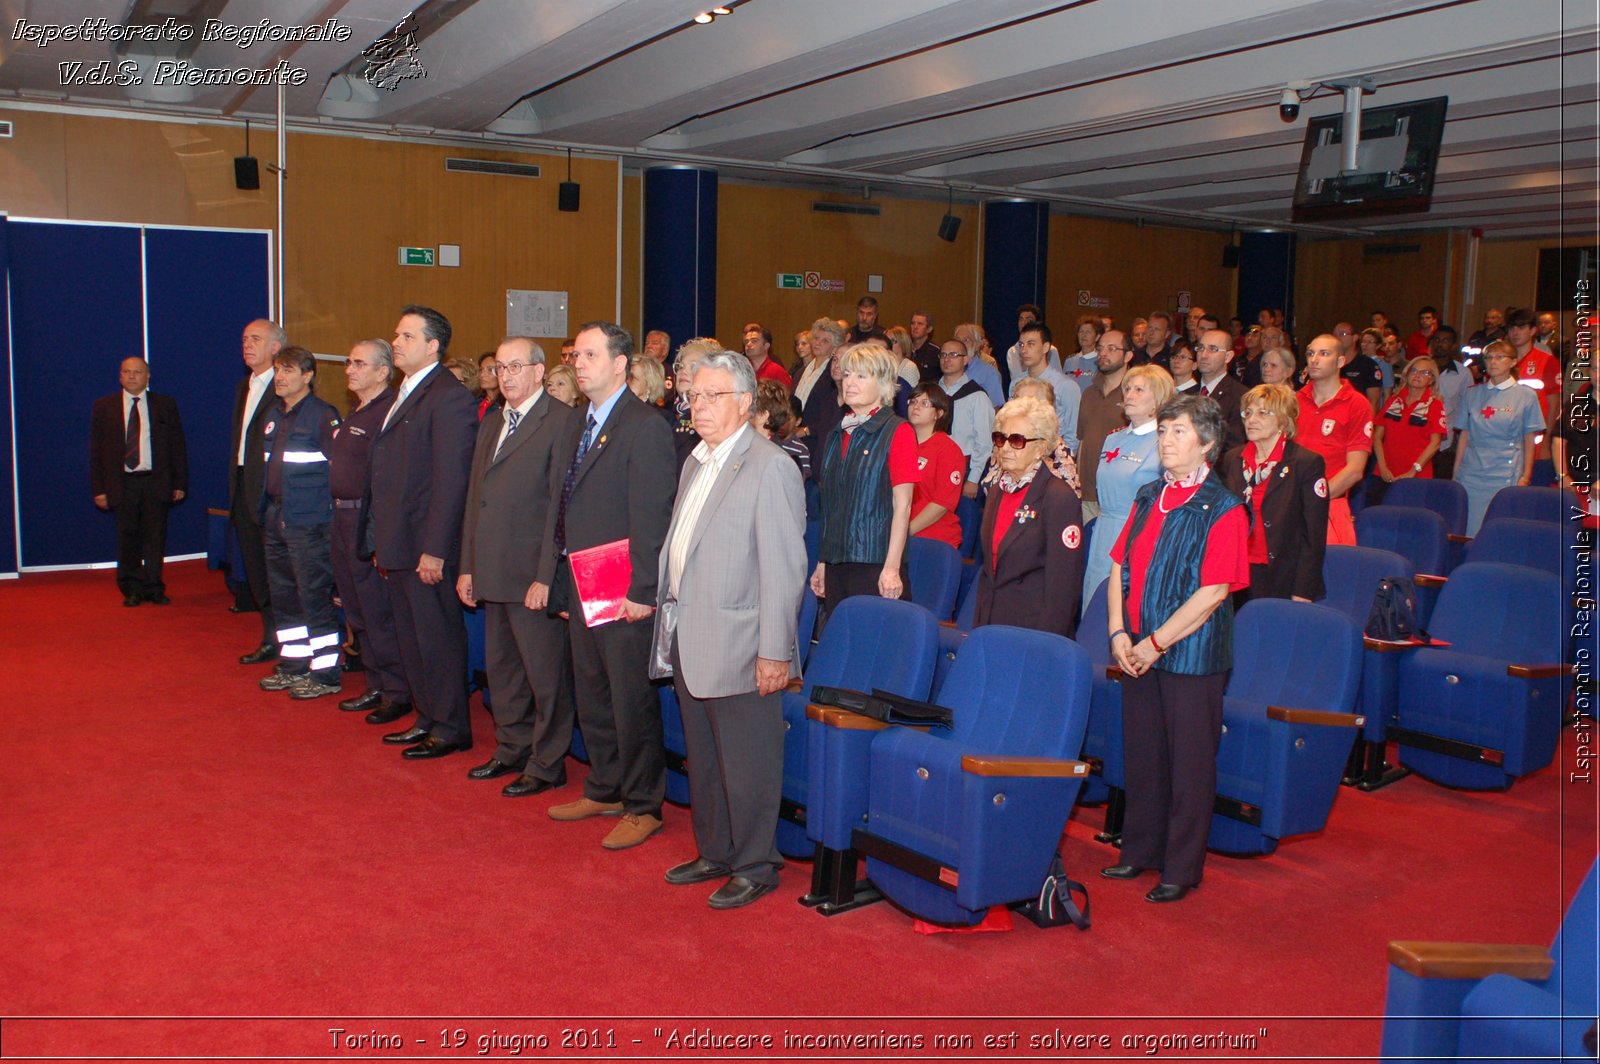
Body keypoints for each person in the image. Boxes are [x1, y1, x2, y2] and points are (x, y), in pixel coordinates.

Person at [654, 351, 805, 909]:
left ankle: (757, 864)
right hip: (690, 635)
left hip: (743, 645)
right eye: (695, 395)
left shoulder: (770, 467)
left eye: (713, 396)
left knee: (749, 764)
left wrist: (774, 652)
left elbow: (785, 569)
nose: (699, 405)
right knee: (708, 760)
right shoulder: (696, 460)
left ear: (745, 403)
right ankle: (715, 850)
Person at [1102, 393, 1249, 904]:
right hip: (1138, 649)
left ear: (1207, 443)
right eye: (1163, 431)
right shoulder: (1148, 495)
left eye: (1179, 431)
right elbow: (1118, 565)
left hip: (1189, 656)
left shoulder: (1224, 507)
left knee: (1189, 763)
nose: (1167, 440)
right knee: (1143, 756)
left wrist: (1155, 643)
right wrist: (1120, 635)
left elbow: (1213, 593)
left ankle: (1181, 868)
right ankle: (1139, 850)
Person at [537, 321, 677, 850]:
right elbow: (562, 505)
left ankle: (643, 804)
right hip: (580, 573)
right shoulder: (575, 422)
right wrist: (558, 579)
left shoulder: (645, 426)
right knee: (592, 689)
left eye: (590, 354)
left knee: (629, 696)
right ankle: (605, 786)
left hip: (620, 574)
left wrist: (643, 589)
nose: (578, 361)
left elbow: (651, 514)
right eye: (576, 353)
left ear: (621, 364)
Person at [458, 337, 583, 797]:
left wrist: (546, 575)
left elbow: (560, 505)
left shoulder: (563, 421)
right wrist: (468, 565)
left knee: (545, 674)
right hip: (491, 567)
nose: (506, 375)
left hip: (532, 572)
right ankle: (511, 747)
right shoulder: (493, 420)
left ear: (538, 371)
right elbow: (477, 497)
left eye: (516, 367)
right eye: (500, 367)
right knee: (504, 669)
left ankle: (548, 761)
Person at [368, 305, 479, 759]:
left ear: (434, 346)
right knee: (411, 638)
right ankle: (428, 717)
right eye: (396, 335)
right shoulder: (407, 390)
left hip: (426, 546)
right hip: (398, 541)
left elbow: (451, 480)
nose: (396, 343)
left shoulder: (448, 396)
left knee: (436, 638)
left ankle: (451, 727)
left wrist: (435, 550)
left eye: (407, 336)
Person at [327, 339, 410, 725]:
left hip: (366, 521)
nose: (350, 370)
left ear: (382, 371)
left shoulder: (386, 412)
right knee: (356, 608)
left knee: (377, 611)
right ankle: (375, 683)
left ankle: (396, 691)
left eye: (359, 363)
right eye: (348, 362)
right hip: (340, 519)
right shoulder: (356, 410)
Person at [254, 346, 343, 699]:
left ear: (308, 376)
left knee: (313, 595)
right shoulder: (274, 414)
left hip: (309, 522)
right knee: (284, 595)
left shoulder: (323, 416)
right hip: (276, 515)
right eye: (277, 370)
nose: (280, 377)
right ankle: (294, 664)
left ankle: (325, 673)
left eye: (288, 370)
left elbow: (339, 471)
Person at [809, 343, 916, 626]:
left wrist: (892, 567)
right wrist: (822, 562)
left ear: (882, 384)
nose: (850, 382)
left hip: (875, 563)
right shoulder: (836, 432)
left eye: (861, 376)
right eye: (847, 375)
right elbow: (830, 506)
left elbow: (902, 506)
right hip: (836, 564)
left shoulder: (898, 431)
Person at [973, 396, 1084, 637]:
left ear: (1042, 448)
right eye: (1000, 439)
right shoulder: (996, 490)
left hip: (1033, 632)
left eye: (1017, 440)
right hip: (991, 624)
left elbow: (1063, 587)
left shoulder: (1058, 497)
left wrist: (1044, 643)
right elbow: (989, 571)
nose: (1005, 448)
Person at [90, 356, 187, 607]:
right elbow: (96, 452)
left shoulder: (165, 405)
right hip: (122, 483)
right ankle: (131, 588)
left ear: (148, 377)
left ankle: (154, 587)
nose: (132, 376)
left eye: (138, 372)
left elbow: (177, 446)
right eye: (127, 372)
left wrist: (180, 483)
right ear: (120, 376)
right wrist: (99, 488)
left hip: (156, 481)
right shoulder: (104, 406)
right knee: (128, 537)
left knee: (156, 537)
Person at [1221, 384, 1328, 604]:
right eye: (1247, 413)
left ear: (1283, 420)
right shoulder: (1233, 459)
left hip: (1282, 576)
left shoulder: (1306, 463)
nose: (1251, 419)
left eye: (1262, 413)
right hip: (1236, 572)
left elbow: (1314, 535)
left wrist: (1304, 589)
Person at [1082, 366, 1169, 612]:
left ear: (1158, 399)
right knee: (1094, 605)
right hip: (1104, 529)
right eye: (1128, 389)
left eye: (1139, 390)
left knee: (1124, 608)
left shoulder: (1164, 443)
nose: (1129, 395)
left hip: (1137, 533)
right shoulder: (1113, 439)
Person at [231, 319, 281, 664]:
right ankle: (270, 635)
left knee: (278, 572)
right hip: (242, 491)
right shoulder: (243, 386)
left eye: (256, 339)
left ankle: (285, 640)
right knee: (256, 571)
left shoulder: (282, 387)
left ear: (276, 347)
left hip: (270, 495)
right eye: (245, 338)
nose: (247, 344)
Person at [1454, 340, 1545, 534]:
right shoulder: (1473, 394)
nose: (1493, 362)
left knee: (1499, 526)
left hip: (1505, 471)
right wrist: (1456, 472)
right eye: (1489, 357)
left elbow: (1529, 439)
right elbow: (1464, 436)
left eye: (1500, 357)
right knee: (1469, 528)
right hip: (1472, 471)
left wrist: (1526, 476)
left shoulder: (1526, 395)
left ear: (1513, 362)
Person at [1295, 334, 1373, 546]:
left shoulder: (1357, 404)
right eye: (1310, 353)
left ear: (1340, 361)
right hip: (1292, 504)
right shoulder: (1294, 401)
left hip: (1329, 505)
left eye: (1324, 353)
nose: (1314, 359)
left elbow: (1355, 470)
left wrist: (1313, 500)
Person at [1371, 357, 1448, 505]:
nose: (1417, 375)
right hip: (1384, 474)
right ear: (1406, 374)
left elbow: (1435, 444)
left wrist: (1413, 471)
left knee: (1409, 521)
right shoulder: (1393, 401)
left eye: (1424, 372)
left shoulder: (1435, 405)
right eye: (1414, 370)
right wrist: (1382, 466)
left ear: (1431, 379)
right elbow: (1377, 437)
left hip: (1417, 477)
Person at [1076, 329, 1134, 521]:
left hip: (1118, 497)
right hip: (1087, 495)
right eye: (1100, 348)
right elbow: (1083, 442)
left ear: (1128, 355)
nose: (1103, 353)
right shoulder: (1089, 393)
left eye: (1112, 349)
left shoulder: (1135, 396)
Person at [935, 339, 994, 508]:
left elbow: (984, 442)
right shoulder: (932, 394)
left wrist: (973, 479)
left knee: (964, 527)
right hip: (935, 466)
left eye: (954, 355)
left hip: (966, 468)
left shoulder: (977, 396)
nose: (947, 359)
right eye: (943, 355)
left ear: (965, 360)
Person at [906, 385, 965, 551]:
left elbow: (941, 504)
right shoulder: (901, 444)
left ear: (939, 414)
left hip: (934, 538)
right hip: (899, 532)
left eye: (924, 403)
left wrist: (905, 531)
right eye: (913, 401)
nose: (915, 407)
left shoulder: (948, 450)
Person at [1010, 321, 1081, 455]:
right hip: (1020, 453)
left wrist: (1064, 462)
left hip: (1052, 456)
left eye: (1031, 344)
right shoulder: (1016, 383)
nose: (1024, 350)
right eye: (1021, 345)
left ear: (1045, 347)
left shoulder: (1066, 385)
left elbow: (1073, 433)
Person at [800, 318, 847, 473]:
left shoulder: (833, 374)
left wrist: (806, 430)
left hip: (816, 441)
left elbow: (832, 415)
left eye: (825, 340)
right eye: (816, 338)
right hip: (798, 438)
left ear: (835, 347)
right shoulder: (803, 369)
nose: (818, 343)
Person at [1195, 329, 1247, 455]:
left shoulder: (1240, 396)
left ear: (1228, 357)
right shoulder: (1185, 394)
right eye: (1201, 348)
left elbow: (1235, 448)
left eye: (1213, 349)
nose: (1204, 355)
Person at [752, 379, 810, 484]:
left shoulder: (779, 457)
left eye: (752, 409)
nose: (747, 414)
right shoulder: (750, 444)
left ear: (764, 416)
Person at [952, 322, 1005, 407]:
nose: (961, 344)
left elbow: (995, 408)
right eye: (958, 340)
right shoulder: (948, 368)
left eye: (966, 340)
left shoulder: (990, 374)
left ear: (977, 345)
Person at [742, 323, 793, 390]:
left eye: (754, 341)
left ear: (766, 346)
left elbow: (788, 398)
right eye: (746, 341)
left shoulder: (777, 372)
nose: (748, 344)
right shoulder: (743, 371)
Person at [1062, 316, 1102, 381]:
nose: (1084, 335)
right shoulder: (1069, 361)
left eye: (1088, 332)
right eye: (1081, 331)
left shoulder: (1101, 361)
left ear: (1097, 337)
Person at [906, 311, 942, 383]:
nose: (915, 327)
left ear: (929, 329)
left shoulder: (935, 352)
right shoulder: (905, 349)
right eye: (913, 323)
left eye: (920, 324)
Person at [476, 351, 501, 420]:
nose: (482, 375)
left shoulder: (506, 405)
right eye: (481, 370)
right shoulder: (475, 402)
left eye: (490, 370)